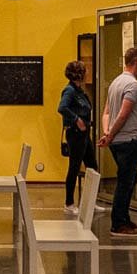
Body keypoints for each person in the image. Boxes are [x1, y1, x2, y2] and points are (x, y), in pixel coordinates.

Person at [97, 47, 137, 237]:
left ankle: (124, 218)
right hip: (127, 140)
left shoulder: (115, 82)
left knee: (131, 179)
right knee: (125, 182)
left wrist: (107, 132)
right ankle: (118, 224)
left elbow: (106, 113)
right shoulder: (133, 85)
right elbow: (123, 115)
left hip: (116, 140)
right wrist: (110, 136)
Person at [58, 61, 98, 216]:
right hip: (75, 134)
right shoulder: (69, 91)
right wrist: (76, 119)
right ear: (79, 74)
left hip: (84, 134)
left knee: (92, 166)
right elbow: (62, 107)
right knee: (74, 167)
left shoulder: (80, 90)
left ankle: (90, 201)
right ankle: (69, 203)